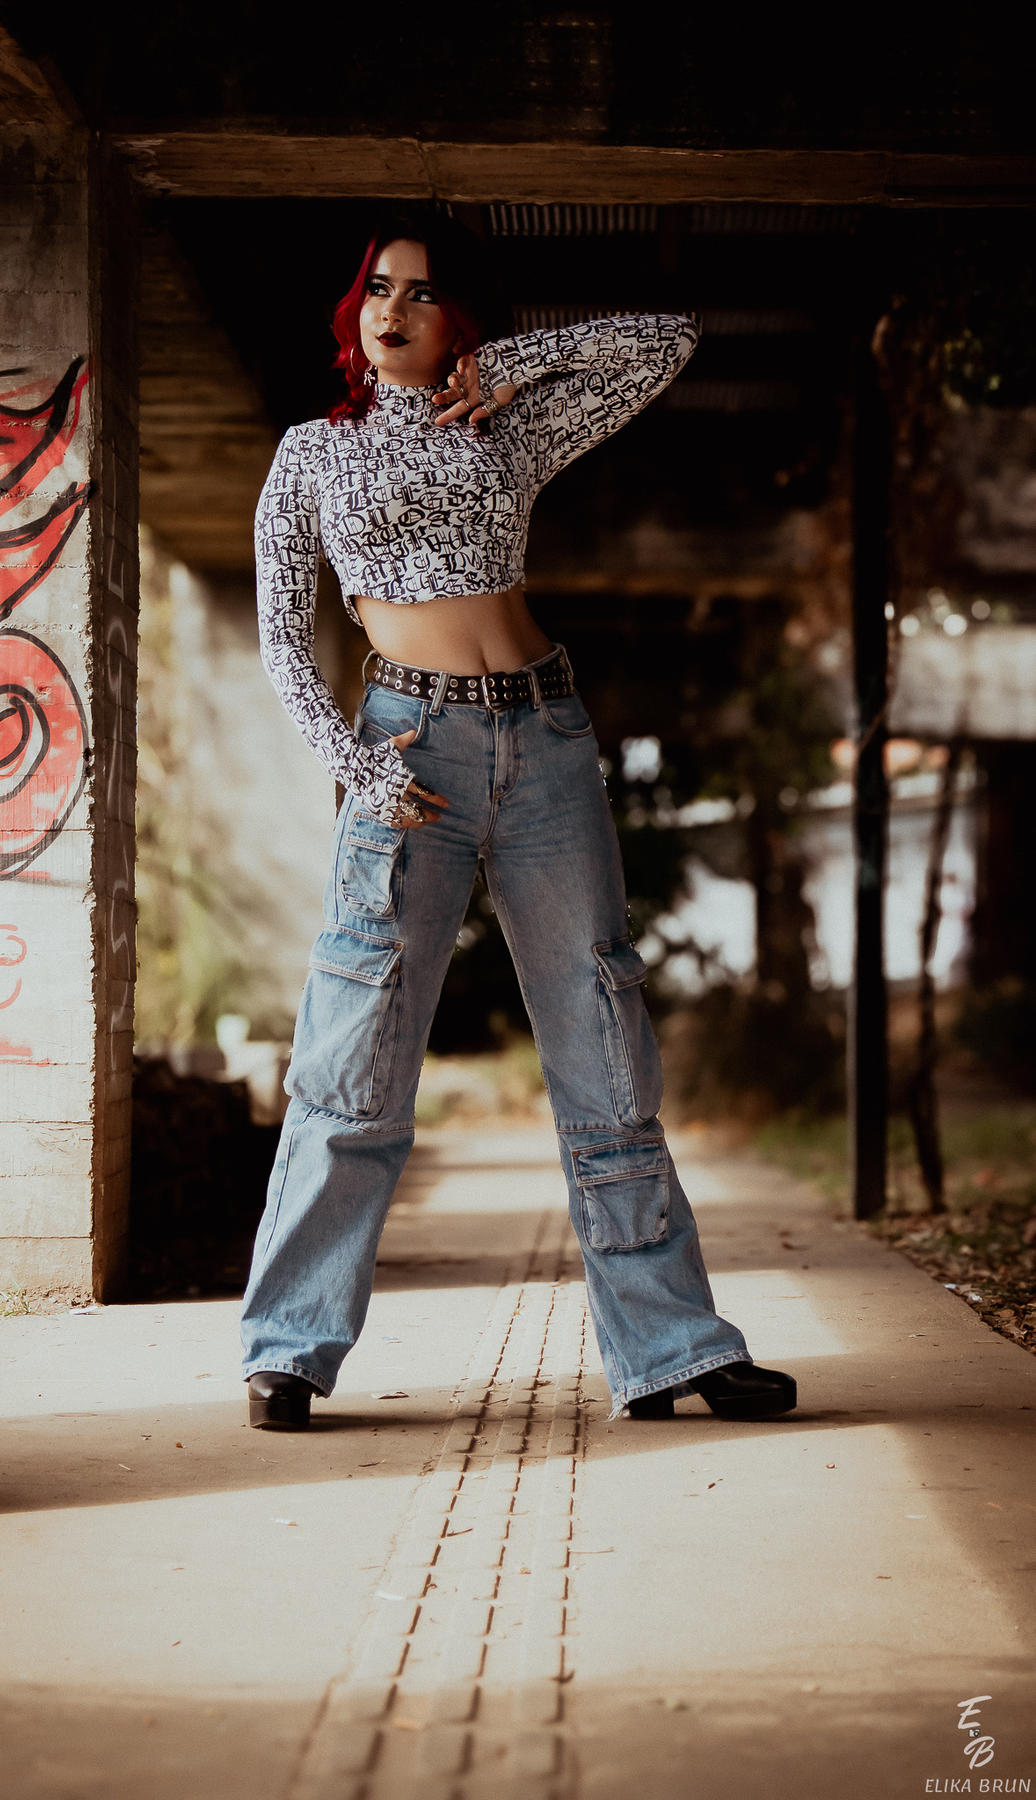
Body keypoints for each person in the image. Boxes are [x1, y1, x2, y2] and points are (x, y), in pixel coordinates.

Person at [243, 212, 796, 1431]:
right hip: (410, 751)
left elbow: (667, 341)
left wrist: (510, 367)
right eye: (378, 288)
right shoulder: (313, 454)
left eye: (423, 292)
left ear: (460, 320)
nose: (393, 309)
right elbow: (281, 636)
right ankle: (288, 1344)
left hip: (545, 739)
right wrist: (353, 766)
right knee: (359, 1042)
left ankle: (671, 1348)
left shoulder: (508, 427)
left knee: (604, 1036)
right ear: (352, 309)